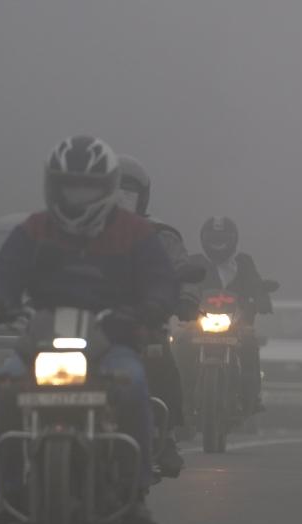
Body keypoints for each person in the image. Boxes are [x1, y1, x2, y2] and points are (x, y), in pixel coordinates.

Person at [0, 135, 175, 524]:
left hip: (112, 342)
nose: (78, 195)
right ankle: (9, 492)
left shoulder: (135, 233)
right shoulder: (34, 229)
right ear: (54, 186)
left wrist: (154, 304)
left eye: (87, 186)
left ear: (107, 187)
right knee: (4, 384)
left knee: (135, 384)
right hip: (40, 338)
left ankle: (134, 491)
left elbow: (160, 277)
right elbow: (4, 272)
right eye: (71, 185)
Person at [115, 154, 191, 478]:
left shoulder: (161, 234)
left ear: (141, 197)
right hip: (89, 326)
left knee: (162, 365)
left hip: (144, 323)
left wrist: (186, 297)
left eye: (126, 194)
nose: (118, 202)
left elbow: (182, 271)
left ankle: (168, 435)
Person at [187, 216, 274, 415]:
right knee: (181, 343)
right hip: (199, 322)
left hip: (237, 324)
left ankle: (251, 397)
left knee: (250, 344)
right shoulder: (194, 262)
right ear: (203, 238)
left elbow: (255, 283)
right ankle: (180, 397)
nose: (218, 241)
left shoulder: (244, 262)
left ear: (234, 238)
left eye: (223, 236)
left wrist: (262, 296)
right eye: (213, 236)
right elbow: (183, 283)